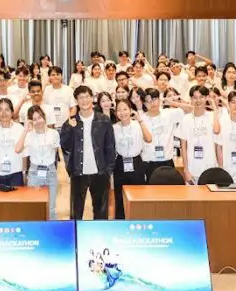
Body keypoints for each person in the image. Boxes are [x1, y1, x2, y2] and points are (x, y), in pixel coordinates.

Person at [60, 85, 116, 220]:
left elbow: (110, 146)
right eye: (81, 97)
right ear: (76, 101)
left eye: (87, 97)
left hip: (100, 171)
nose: (84, 100)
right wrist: (69, 128)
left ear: (92, 98)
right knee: (76, 211)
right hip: (78, 172)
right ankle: (76, 233)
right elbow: (65, 146)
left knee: (101, 211)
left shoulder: (103, 120)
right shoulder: (71, 121)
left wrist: (108, 170)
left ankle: (99, 232)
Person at [17, 105, 61, 219]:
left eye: (40, 117)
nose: (38, 121)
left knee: (51, 209)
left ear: (44, 117)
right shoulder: (29, 135)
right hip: (34, 173)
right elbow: (18, 149)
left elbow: (55, 152)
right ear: (31, 121)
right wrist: (25, 130)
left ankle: (52, 229)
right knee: (35, 208)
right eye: (34, 119)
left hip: (50, 172)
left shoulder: (54, 133)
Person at [112, 99, 152, 218]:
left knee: (138, 195)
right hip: (120, 163)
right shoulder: (114, 128)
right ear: (116, 113)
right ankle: (120, 222)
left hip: (136, 162)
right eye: (119, 110)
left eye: (125, 109)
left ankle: (138, 220)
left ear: (130, 110)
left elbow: (149, 139)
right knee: (119, 196)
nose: (122, 112)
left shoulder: (138, 125)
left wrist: (140, 120)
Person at [176, 86, 221, 185]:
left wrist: (214, 108)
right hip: (192, 169)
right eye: (195, 97)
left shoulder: (212, 116)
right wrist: (186, 170)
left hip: (210, 167)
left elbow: (217, 131)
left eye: (201, 97)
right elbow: (183, 147)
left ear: (206, 98)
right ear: (191, 99)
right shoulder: (186, 119)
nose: (198, 100)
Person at [140, 88, 183, 182]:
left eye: (154, 99)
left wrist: (173, 103)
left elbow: (190, 109)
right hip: (149, 162)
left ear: (159, 99)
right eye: (148, 101)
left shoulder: (169, 114)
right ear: (144, 104)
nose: (152, 103)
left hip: (167, 161)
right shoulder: (141, 119)